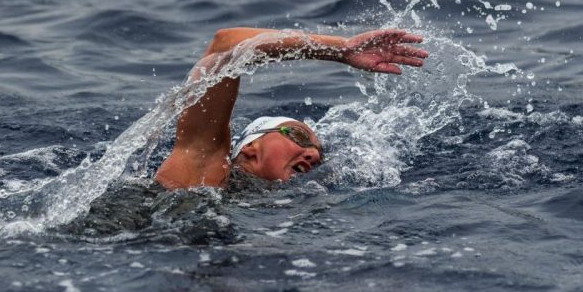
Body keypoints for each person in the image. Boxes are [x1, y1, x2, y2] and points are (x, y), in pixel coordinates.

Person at [155, 27, 427, 190]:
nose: (311, 153)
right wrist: (338, 50)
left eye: (318, 155)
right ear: (250, 150)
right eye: (297, 135)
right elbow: (226, 45)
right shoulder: (204, 169)